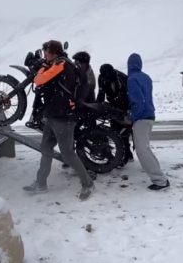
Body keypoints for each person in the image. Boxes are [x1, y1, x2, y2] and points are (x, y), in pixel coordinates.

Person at [23, 40, 95, 200]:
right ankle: (41, 183)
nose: (45, 55)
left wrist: (41, 67)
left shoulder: (61, 64)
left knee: (68, 154)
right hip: (53, 115)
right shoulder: (55, 64)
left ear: (54, 52)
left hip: (64, 118)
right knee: (46, 149)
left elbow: (39, 80)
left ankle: (88, 183)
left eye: (46, 52)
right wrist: (43, 66)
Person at [127, 53, 169, 190]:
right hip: (150, 115)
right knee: (145, 148)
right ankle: (159, 177)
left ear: (129, 65)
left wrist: (133, 116)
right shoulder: (146, 77)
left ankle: (160, 180)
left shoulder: (132, 79)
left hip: (142, 118)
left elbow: (139, 101)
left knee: (142, 151)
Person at [97, 64, 133, 165]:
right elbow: (101, 93)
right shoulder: (102, 77)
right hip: (113, 106)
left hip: (124, 106)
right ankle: (123, 154)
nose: (105, 77)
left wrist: (127, 110)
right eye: (103, 75)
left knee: (124, 131)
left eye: (106, 75)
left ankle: (126, 154)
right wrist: (97, 106)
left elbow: (128, 94)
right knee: (115, 131)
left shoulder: (121, 77)